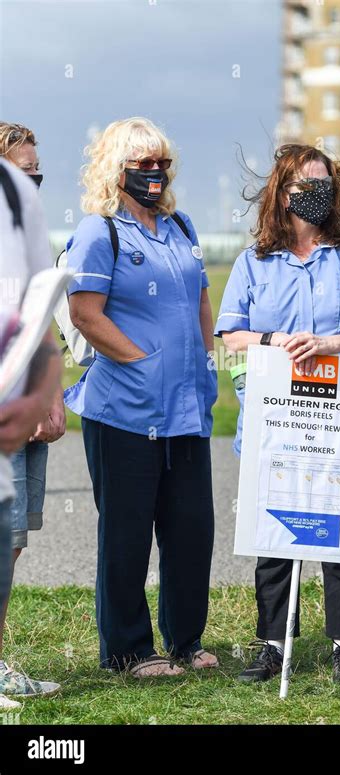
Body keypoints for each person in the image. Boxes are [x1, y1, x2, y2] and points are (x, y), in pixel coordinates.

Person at [215, 143, 340, 686]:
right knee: (275, 532)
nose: (314, 194)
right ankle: (273, 642)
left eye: (324, 185)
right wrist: (274, 339)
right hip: (277, 424)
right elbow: (231, 335)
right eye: (303, 186)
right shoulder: (254, 261)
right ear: (281, 193)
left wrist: (328, 344)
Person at [64, 117, 218, 678]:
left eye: (161, 163)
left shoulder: (182, 226)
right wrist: (141, 361)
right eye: (142, 164)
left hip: (186, 409)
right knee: (127, 534)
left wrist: (204, 361)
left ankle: (184, 640)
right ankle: (128, 650)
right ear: (116, 168)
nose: (154, 173)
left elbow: (202, 300)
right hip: (123, 411)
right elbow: (85, 313)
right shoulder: (98, 231)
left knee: (191, 529)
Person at [0, 124, 65, 701]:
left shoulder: (28, 234)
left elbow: (43, 319)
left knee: (12, 539)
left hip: (28, 411)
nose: (34, 183)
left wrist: (54, 395)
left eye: (37, 172)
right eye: (24, 171)